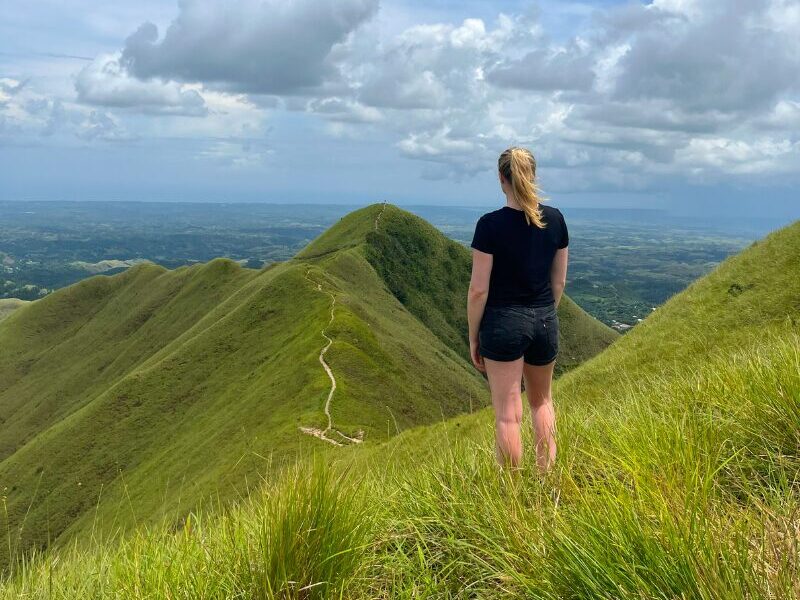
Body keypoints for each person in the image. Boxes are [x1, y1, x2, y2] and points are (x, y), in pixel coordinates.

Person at [467, 146, 569, 472]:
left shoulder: (489, 226)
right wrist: (545, 313)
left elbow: (478, 290)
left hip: (503, 324)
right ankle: (546, 477)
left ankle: (511, 491)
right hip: (545, 320)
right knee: (542, 402)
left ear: (501, 178)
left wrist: (473, 337)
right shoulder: (556, 219)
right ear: (533, 174)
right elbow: (558, 282)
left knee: (508, 415)